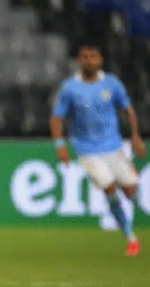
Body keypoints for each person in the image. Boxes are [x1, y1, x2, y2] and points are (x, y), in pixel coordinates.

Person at [51, 43, 146, 257]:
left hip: (114, 147)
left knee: (131, 190)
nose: (89, 61)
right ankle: (131, 237)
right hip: (87, 151)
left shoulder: (111, 84)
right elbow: (56, 118)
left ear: (100, 60)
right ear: (79, 60)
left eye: (93, 56)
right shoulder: (70, 88)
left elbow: (128, 110)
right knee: (109, 187)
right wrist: (60, 146)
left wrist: (135, 136)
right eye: (85, 57)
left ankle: (131, 213)